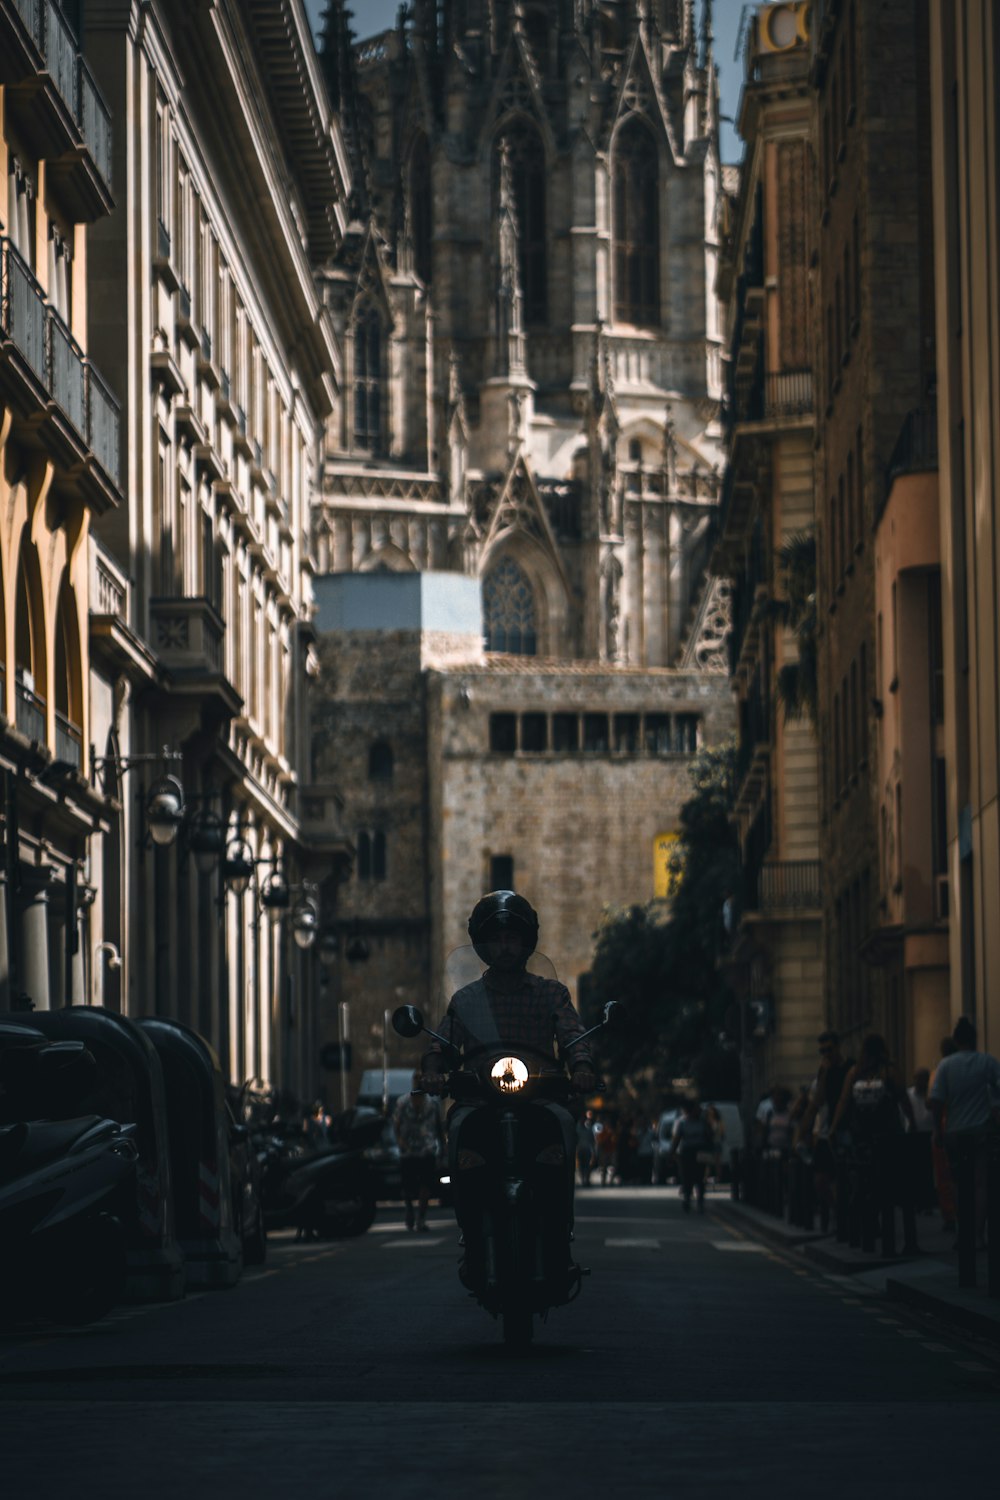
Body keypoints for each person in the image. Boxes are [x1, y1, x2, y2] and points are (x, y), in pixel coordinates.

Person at [421, 891, 596, 1271]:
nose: (505, 947)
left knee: (564, 1126)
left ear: (526, 942)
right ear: (484, 946)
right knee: (459, 1128)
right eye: (497, 939)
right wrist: (433, 1068)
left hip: (539, 1096)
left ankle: (560, 1227)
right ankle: (469, 1226)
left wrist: (581, 1066)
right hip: (480, 1099)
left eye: (512, 938)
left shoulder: (551, 993)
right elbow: (443, 1041)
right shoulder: (466, 1000)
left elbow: (571, 1033)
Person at [831, 1034, 917, 1253]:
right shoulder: (889, 1071)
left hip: (862, 1139)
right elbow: (902, 1099)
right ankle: (908, 1244)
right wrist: (912, 1122)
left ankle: (865, 1238)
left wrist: (834, 1129)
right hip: (890, 1136)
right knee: (902, 1188)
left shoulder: (854, 1073)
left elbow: (843, 1102)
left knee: (865, 1187)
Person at [928, 1017, 1000, 1249]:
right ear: (974, 1039)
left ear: (956, 1040)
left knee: (958, 1183)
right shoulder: (987, 1061)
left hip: (955, 1132)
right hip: (981, 1130)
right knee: (980, 1183)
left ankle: (962, 1232)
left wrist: (937, 1130)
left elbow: (936, 1101)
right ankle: (978, 1235)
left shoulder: (946, 1066)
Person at [393, 1071, 445, 1231]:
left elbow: (438, 1127)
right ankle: (409, 1211)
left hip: (427, 1149)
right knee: (407, 1187)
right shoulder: (402, 1102)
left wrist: (443, 1147)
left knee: (425, 1185)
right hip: (408, 1150)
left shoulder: (433, 1104)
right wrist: (400, 1142)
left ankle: (420, 1218)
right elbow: (396, 1125)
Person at [670, 1097, 714, 1213]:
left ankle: (700, 1200)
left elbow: (709, 1137)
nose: (698, 1111)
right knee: (687, 1177)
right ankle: (687, 1198)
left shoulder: (703, 1122)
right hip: (687, 1152)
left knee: (700, 1178)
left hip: (700, 1152)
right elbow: (676, 1139)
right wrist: (672, 1152)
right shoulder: (682, 1122)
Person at [577, 1109, 597, 1187]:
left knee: (585, 1166)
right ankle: (584, 1180)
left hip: (584, 1149)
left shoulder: (581, 1128)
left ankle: (585, 1180)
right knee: (584, 1166)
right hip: (583, 1149)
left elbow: (592, 1140)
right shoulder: (584, 1128)